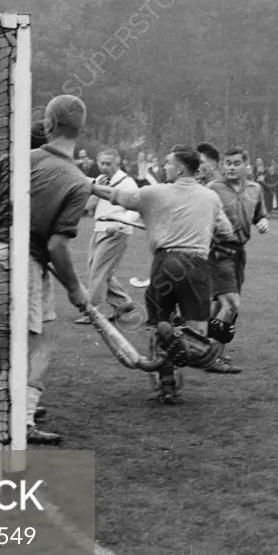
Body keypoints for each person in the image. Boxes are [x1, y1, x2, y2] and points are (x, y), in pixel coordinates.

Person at [0, 112, 83, 446]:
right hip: (16, 262)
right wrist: (75, 288)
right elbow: (57, 244)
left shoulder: (9, 162)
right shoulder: (62, 172)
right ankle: (20, 421)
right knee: (32, 350)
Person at [89, 144, 234, 403]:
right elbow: (227, 232)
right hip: (196, 265)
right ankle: (193, 347)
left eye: (167, 162)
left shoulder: (153, 192)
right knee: (197, 332)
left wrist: (88, 184)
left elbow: (114, 195)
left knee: (159, 325)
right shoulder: (210, 197)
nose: (163, 166)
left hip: (166, 263)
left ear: (179, 168)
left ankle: (167, 382)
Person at [206, 147, 269, 369]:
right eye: (228, 163)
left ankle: (212, 350)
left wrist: (263, 222)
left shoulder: (255, 189)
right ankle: (211, 357)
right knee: (231, 304)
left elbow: (260, 214)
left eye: (236, 163)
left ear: (246, 165)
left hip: (239, 253)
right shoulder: (212, 189)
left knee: (221, 305)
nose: (231, 167)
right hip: (218, 252)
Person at [75, 148, 139, 325]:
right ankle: (122, 303)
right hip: (99, 228)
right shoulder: (99, 181)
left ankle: (92, 312)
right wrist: (94, 188)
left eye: (108, 164)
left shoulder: (127, 183)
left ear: (117, 164)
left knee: (98, 271)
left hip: (116, 231)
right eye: (101, 163)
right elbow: (88, 206)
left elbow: (135, 208)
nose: (104, 167)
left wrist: (120, 224)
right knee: (96, 269)